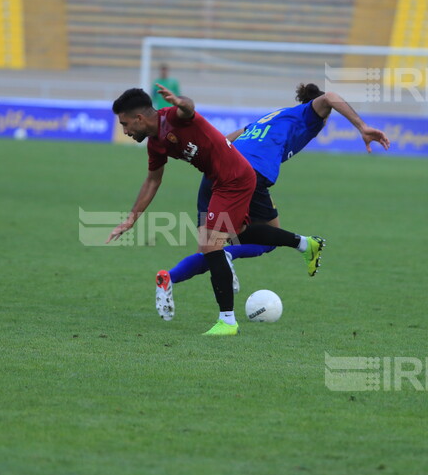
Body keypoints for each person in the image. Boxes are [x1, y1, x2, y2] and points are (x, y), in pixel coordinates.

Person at [156, 83, 390, 320]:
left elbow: (231, 137)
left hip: (215, 173)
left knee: (209, 250)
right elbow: (330, 97)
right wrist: (362, 126)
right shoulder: (308, 115)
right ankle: (272, 249)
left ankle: (169, 277)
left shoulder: (274, 117)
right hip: (246, 174)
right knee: (269, 238)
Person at [107, 85, 325, 336]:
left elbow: (188, 108)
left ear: (139, 118)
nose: (125, 130)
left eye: (125, 124)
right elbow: (152, 181)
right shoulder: (155, 145)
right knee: (234, 236)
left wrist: (180, 101)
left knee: (211, 245)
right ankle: (304, 244)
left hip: (235, 177)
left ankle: (228, 321)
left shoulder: (172, 117)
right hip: (216, 180)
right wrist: (130, 220)